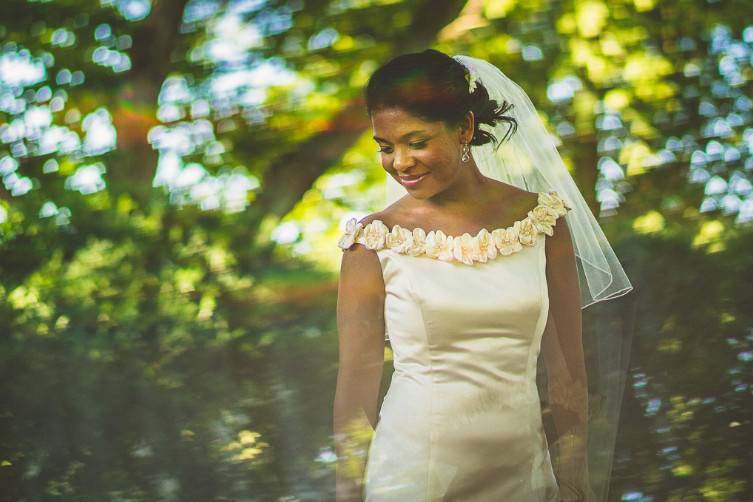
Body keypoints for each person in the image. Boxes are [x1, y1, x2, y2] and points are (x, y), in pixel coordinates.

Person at [333, 49, 634, 501]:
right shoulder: (371, 242)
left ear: (465, 130)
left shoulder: (543, 222)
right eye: (385, 147)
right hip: (413, 477)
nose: (400, 163)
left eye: (416, 142)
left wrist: (573, 479)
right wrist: (349, 492)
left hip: (524, 474)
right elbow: (356, 384)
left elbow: (567, 369)